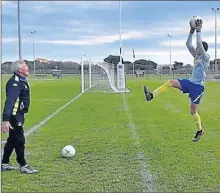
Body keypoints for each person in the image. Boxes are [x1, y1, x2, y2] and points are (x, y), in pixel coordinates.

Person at [144, 19, 210, 142]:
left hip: (198, 88)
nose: (196, 49)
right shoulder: (196, 56)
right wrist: (191, 31)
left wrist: (199, 31)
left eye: (198, 48)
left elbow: (199, 44)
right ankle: (151, 95)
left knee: (193, 111)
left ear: (203, 50)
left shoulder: (206, 58)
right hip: (190, 83)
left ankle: (200, 130)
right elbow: (188, 45)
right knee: (171, 82)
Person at [1, 60, 38, 173]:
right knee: (19, 139)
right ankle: (23, 165)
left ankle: (4, 163)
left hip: (19, 114)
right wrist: (6, 120)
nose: (28, 68)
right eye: (25, 66)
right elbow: (10, 101)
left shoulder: (22, 80)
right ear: (19, 70)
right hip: (14, 116)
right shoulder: (15, 82)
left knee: (12, 140)